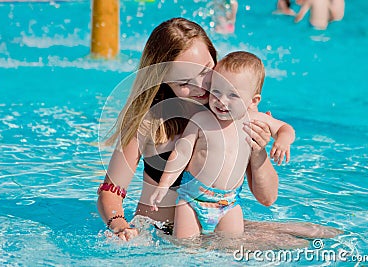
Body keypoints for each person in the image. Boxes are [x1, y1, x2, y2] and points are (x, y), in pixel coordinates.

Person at [97, 17, 342, 244]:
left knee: (319, 235)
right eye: (183, 82)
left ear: (214, 56)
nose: (201, 86)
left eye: (205, 71)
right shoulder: (149, 121)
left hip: (216, 222)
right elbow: (110, 192)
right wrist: (120, 226)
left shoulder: (232, 110)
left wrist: (258, 152)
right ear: (163, 82)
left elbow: (268, 199)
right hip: (163, 235)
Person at [149, 51, 295, 238]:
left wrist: (283, 140)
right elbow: (181, 153)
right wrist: (163, 185)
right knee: (184, 247)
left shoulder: (254, 121)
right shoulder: (201, 119)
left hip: (229, 205)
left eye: (232, 95)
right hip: (191, 201)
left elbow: (286, 128)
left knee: (230, 248)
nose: (221, 101)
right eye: (216, 91)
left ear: (253, 100)